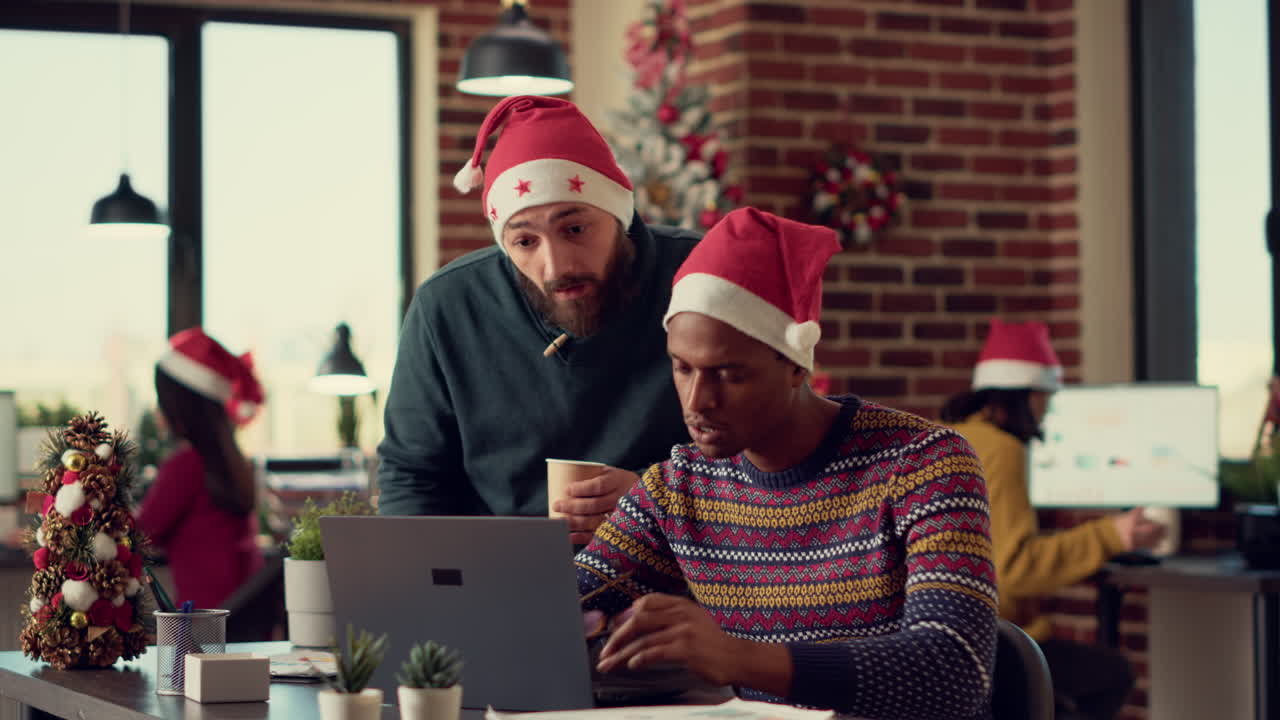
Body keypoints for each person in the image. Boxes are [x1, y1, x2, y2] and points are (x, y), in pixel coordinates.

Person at [575, 208, 998, 719]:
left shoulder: (924, 464)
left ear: (797, 364)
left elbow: (955, 672)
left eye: (729, 374)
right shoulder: (677, 486)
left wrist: (739, 657)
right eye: (682, 368)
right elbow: (566, 603)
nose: (697, 401)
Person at [376, 96, 699, 544]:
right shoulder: (447, 307)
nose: (556, 266)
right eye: (525, 242)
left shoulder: (699, 277)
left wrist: (657, 496)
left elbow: (771, 448)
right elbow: (412, 477)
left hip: (683, 569)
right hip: (501, 570)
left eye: (575, 229)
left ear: (619, 214)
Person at [941, 318, 1164, 720]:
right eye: (1047, 398)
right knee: (1112, 673)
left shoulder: (960, 436)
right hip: (996, 643)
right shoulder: (1003, 450)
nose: (1048, 410)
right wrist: (1112, 535)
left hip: (956, 638)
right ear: (1027, 396)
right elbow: (1014, 568)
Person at [136, 328, 265, 610]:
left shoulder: (186, 465)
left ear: (178, 406)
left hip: (203, 621)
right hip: (241, 618)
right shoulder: (233, 459)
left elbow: (139, 533)